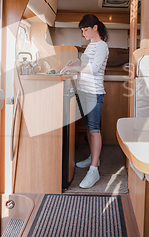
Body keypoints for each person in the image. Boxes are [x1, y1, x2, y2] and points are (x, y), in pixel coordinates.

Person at [62, 14, 109, 188]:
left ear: (95, 27)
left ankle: (94, 170)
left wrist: (77, 66)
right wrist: (75, 62)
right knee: (89, 128)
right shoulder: (90, 46)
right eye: (82, 30)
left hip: (94, 93)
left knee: (94, 129)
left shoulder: (101, 46)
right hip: (84, 91)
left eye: (86, 29)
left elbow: (95, 69)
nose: (84, 33)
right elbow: (86, 65)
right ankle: (92, 156)